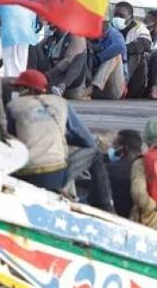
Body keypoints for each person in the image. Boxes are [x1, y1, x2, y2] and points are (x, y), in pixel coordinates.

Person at [7, 70, 112, 211]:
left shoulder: (14, 106)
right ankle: (105, 204)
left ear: (29, 89)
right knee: (95, 154)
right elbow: (88, 141)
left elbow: (10, 140)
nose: (18, 92)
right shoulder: (61, 103)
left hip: (25, 175)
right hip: (56, 174)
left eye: (20, 88)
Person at [106, 3, 155, 99]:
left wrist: (120, 49)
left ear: (130, 17)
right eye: (115, 15)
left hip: (134, 75)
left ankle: (125, 85)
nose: (117, 18)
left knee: (137, 53)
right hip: (114, 68)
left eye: (121, 16)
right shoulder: (110, 28)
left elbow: (145, 44)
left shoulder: (140, 29)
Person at [106, 129, 144, 220]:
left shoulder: (111, 169)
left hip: (117, 216)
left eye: (115, 147)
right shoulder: (146, 166)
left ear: (124, 149)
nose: (112, 149)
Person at [88, 19, 128, 100]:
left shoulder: (114, 35)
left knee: (115, 56)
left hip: (115, 89)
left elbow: (120, 47)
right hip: (96, 90)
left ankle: (93, 86)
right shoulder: (89, 34)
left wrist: (99, 58)